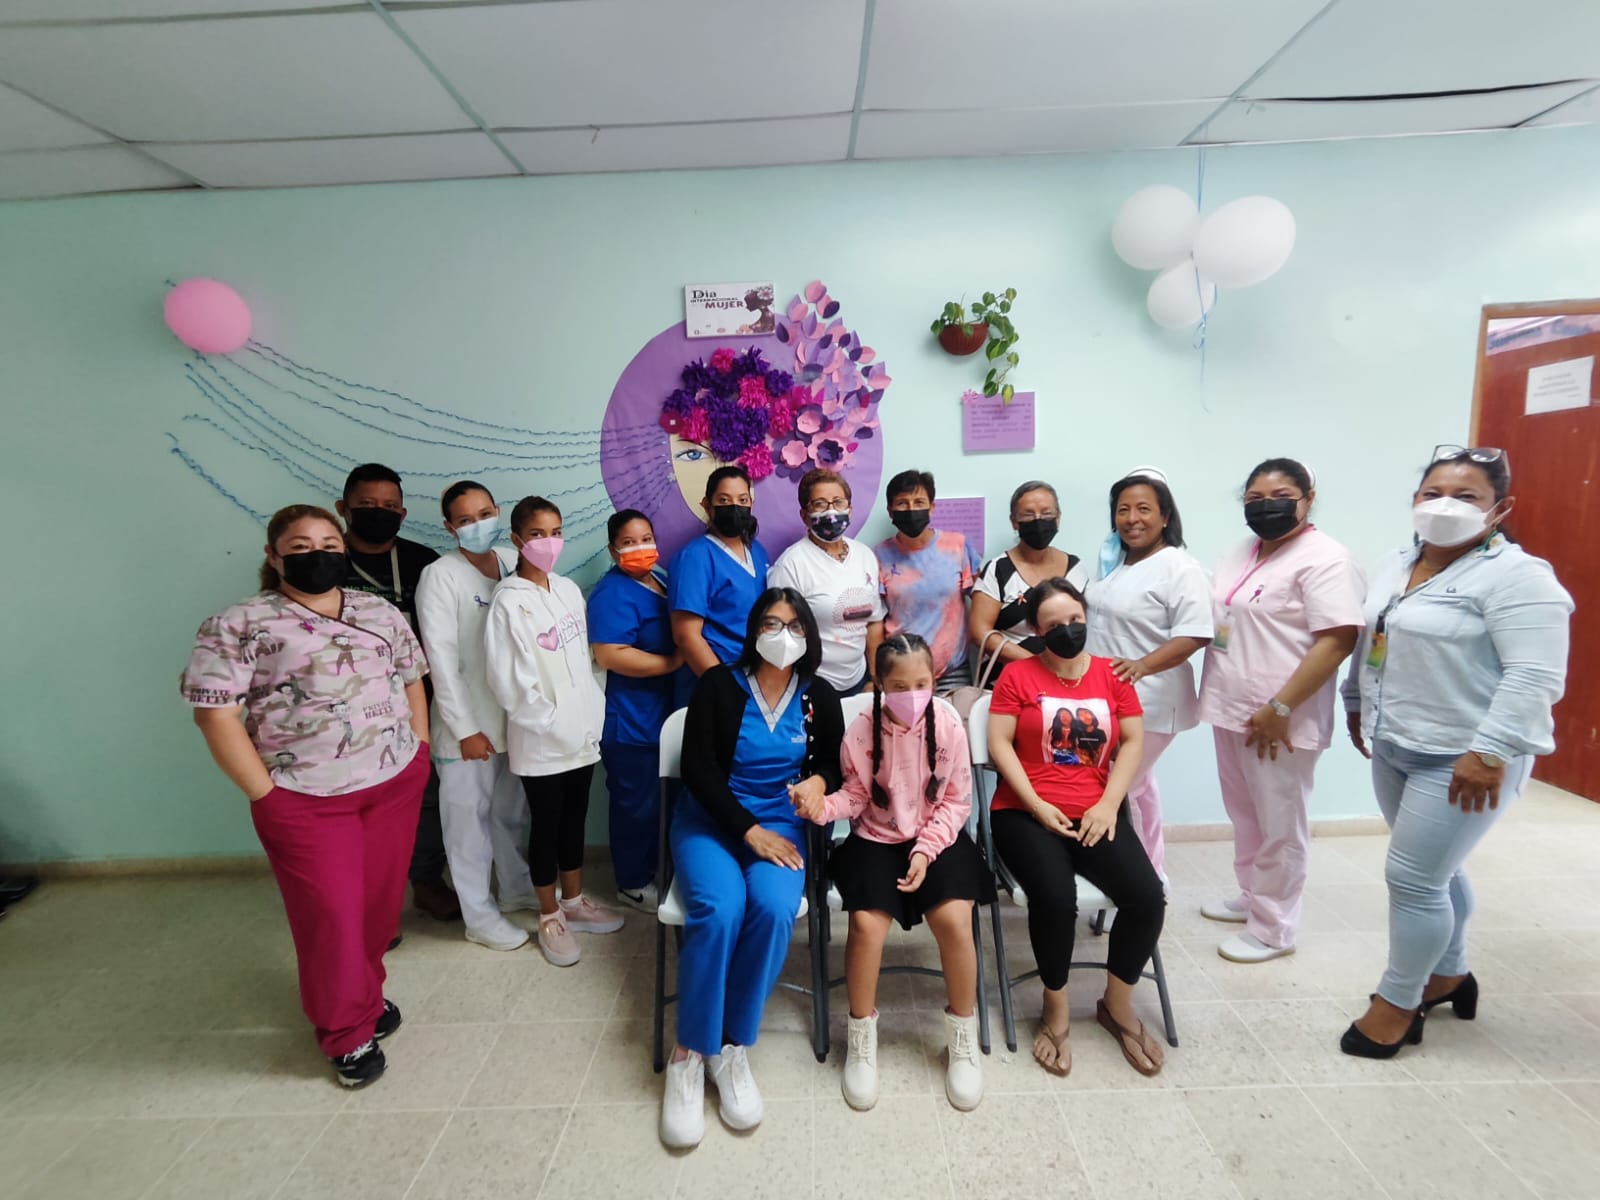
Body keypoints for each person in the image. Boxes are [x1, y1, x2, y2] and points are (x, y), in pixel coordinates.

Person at [181, 504, 430, 1088]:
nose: (317, 554)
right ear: (273, 557)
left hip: (392, 781)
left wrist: (419, 748)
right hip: (305, 798)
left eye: (328, 544)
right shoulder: (241, 623)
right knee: (331, 917)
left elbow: (411, 678)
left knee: (377, 909)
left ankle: (364, 995)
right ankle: (345, 1032)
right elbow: (214, 714)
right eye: (300, 547)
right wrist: (265, 794)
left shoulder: (375, 610)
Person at [1338, 446, 1571, 1058]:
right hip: (1396, 742)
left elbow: (1535, 676)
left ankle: (1398, 1003)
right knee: (1436, 871)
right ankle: (1449, 975)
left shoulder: (1519, 577)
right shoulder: (1397, 563)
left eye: (1465, 496)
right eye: (1433, 493)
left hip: (1464, 754)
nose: (1445, 506)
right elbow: (1373, 635)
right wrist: (1355, 700)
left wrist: (1489, 751)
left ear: (1500, 508)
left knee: (1412, 879)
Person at [659, 589, 844, 1150]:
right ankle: (689, 1052)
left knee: (772, 906)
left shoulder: (818, 695)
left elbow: (832, 762)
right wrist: (747, 830)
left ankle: (731, 1046)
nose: (783, 635)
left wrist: (818, 782)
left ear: (809, 634)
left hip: (782, 825)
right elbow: (698, 770)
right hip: (712, 822)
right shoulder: (719, 685)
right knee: (720, 909)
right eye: (771, 623)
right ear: (753, 630)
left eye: (794, 625)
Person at [793, 633, 993, 1113]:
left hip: (938, 835)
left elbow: (956, 801)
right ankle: (861, 1037)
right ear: (879, 684)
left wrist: (925, 851)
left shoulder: (948, 723)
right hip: (875, 837)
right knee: (865, 925)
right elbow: (856, 796)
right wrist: (821, 807)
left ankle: (961, 1034)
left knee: (954, 919)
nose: (912, 694)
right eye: (899, 685)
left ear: (935, 680)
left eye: (921, 683)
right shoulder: (862, 728)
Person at [987, 579, 1166, 1078]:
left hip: (1095, 811)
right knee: (1054, 898)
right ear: (1036, 631)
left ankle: (1117, 1004)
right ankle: (1056, 1008)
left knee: (1146, 897)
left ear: (1086, 617)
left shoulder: (1113, 675)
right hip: (1024, 812)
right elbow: (999, 744)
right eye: (1054, 625)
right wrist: (1036, 804)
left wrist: (1109, 805)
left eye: (1075, 620)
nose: (1067, 630)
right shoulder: (1017, 676)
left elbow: (1132, 741)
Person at [1196, 458, 1364, 963]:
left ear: (1308, 499)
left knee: (1281, 824)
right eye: (1254, 499)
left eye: (1280, 496)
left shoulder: (1326, 559)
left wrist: (1282, 705)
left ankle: (1274, 929)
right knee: (1245, 812)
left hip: (1281, 717)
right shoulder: (1243, 551)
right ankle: (1252, 896)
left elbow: (1338, 640)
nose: (1266, 506)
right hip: (1231, 706)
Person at [485, 496, 622, 967]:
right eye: (537, 533)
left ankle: (574, 901)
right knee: (545, 825)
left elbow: (585, 660)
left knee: (574, 819)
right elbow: (507, 679)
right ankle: (549, 915)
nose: (549, 542)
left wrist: (590, 711)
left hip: (582, 733)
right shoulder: (508, 601)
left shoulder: (566, 590)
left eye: (556, 531)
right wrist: (551, 722)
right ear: (517, 539)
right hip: (541, 739)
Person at [415, 481, 536, 952]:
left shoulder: (510, 560)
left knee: (510, 814)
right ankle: (479, 917)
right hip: (466, 728)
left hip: (513, 720)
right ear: (450, 527)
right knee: (469, 825)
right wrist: (465, 730)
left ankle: (516, 890)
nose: (477, 525)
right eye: (465, 520)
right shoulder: (440, 576)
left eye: (484, 514)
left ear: (498, 511)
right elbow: (441, 661)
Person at [336, 463, 457, 923]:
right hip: (347, 706)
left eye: (389, 506)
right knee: (359, 802)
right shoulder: (327, 562)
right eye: (367, 505)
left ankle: (425, 881)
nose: (379, 512)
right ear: (343, 508)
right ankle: (365, 902)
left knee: (424, 794)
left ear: (403, 514)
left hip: (417, 698)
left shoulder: (425, 563)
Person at [1085, 468, 1213, 881]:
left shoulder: (1179, 567)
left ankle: (1140, 883)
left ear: (1165, 516)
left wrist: (1142, 665)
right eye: (1123, 510)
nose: (1132, 519)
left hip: (1152, 699)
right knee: (1140, 787)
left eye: (1143, 509)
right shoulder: (1119, 562)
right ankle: (1153, 877)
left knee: (1121, 788)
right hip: (1112, 697)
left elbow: (1196, 633)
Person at [589, 509, 686, 914]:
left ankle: (659, 870)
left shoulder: (658, 580)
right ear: (614, 550)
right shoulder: (612, 593)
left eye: (646, 538)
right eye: (628, 542)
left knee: (663, 803)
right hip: (631, 719)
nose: (640, 548)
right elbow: (610, 654)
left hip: (661, 714)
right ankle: (630, 883)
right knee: (636, 805)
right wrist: (672, 663)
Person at [768, 467, 886, 695]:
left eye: (839, 502)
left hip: (860, 681)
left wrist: (875, 678)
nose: (831, 511)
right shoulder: (791, 564)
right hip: (812, 685)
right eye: (820, 504)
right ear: (804, 515)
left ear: (850, 509)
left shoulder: (865, 556)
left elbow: (874, 623)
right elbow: (781, 635)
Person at [874, 468, 982, 694]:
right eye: (902, 503)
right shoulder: (878, 556)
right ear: (890, 511)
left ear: (932, 507)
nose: (911, 509)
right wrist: (876, 674)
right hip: (901, 672)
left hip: (953, 671)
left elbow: (981, 602)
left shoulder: (958, 546)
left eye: (919, 502)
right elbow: (874, 620)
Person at [971, 480, 1091, 673]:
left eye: (1046, 513)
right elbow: (979, 632)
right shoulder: (998, 570)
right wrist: (1036, 666)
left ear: (1058, 517)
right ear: (1014, 521)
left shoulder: (1075, 568)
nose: (1038, 520)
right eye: (1028, 514)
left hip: (1068, 675)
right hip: (1008, 676)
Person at [668, 464, 771, 675]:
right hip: (716, 674)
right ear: (707, 505)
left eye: (742, 500)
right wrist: (722, 686)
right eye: (724, 500)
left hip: (757, 673)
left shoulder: (758, 551)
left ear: (751, 504)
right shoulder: (695, 557)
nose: (735, 507)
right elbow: (686, 635)